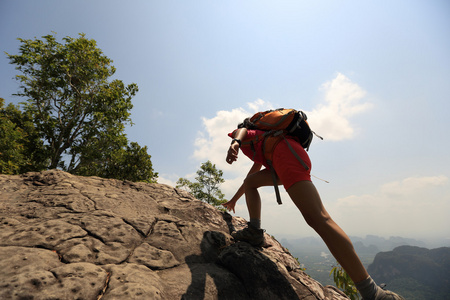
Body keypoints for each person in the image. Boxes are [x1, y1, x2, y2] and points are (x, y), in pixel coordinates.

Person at [223, 124, 404, 300]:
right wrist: (234, 199)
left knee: (319, 219)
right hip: (288, 156)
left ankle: (374, 293)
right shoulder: (261, 143)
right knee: (253, 183)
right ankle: (254, 230)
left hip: (286, 156)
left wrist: (235, 142)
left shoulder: (250, 134)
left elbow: (241, 131)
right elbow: (250, 179)